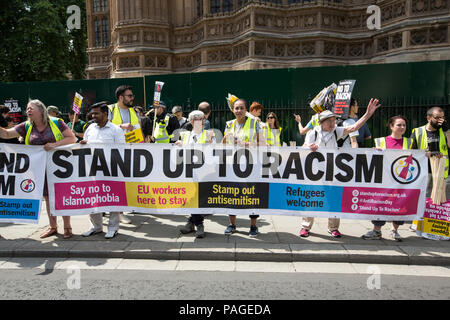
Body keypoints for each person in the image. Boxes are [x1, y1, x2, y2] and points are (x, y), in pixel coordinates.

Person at [300, 98, 381, 238]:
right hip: (315, 172)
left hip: (332, 172)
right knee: (311, 198)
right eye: (329, 121)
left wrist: (368, 114)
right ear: (322, 122)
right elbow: (302, 149)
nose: (333, 123)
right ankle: (305, 227)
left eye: (334, 120)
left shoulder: (336, 131)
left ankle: (333, 227)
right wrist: (309, 147)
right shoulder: (313, 132)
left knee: (334, 199)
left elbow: (354, 127)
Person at [0, 99, 77, 238]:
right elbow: (6, 134)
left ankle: (67, 227)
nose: (28, 110)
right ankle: (53, 226)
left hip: (59, 167)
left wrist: (54, 145)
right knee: (47, 197)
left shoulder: (56, 122)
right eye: (27, 108)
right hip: (39, 169)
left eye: (31, 108)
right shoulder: (26, 126)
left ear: (41, 110)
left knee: (61, 196)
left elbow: (72, 139)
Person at [362, 116, 413, 241]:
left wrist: (424, 154)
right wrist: (374, 151)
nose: (402, 128)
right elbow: (372, 158)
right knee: (381, 203)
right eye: (399, 125)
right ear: (391, 126)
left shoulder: (409, 142)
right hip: (384, 179)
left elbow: (414, 159)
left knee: (400, 204)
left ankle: (394, 230)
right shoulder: (380, 141)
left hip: (401, 180)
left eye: (404, 125)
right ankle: (377, 230)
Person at [80, 101, 126, 239]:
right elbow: (85, 145)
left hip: (110, 170)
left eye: (96, 113)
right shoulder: (90, 128)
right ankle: (97, 227)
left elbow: (122, 150)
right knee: (93, 198)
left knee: (112, 199)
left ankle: (113, 228)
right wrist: (83, 144)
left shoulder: (115, 130)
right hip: (93, 170)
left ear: (105, 113)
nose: (93, 116)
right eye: (92, 113)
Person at [222, 99, 266, 237]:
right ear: (233, 110)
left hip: (251, 165)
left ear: (246, 110)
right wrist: (225, 138)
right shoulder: (229, 124)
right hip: (234, 165)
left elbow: (262, 143)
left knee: (252, 195)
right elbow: (223, 145)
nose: (239, 110)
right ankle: (232, 224)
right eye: (236, 108)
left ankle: (253, 226)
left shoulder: (254, 123)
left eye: (241, 108)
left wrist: (244, 143)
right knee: (232, 193)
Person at [177, 110, 216, 238]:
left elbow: (214, 150)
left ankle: (194, 223)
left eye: (203, 119)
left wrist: (211, 144)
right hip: (189, 172)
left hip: (204, 172)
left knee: (199, 198)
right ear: (192, 121)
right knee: (192, 198)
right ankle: (195, 223)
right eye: (199, 119)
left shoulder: (209, 134)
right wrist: (180, 145)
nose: (202, 121)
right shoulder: (185, 135)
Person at [109, 85, 141, 223]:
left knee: (126, 181)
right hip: (113, 151)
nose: (132, 98)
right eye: (129, 96)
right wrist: (122, 126)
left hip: (129, 151)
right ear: (121, 97)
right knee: (117, 182)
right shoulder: (110, 109)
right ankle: (119, 212)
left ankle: (121, 207)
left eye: (132, 95)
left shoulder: (133, 111)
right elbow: (103, 125)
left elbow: (138, 128)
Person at [411, 106, 449, 199]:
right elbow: (411, 153)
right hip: (425, 174)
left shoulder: (445, 131)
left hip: (443, 175)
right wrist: (426, 153)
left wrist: (447, 131)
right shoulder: (418, 132)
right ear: (428, 118)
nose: (440, 121)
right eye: (437, 118)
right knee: (427, 204)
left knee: (444, 206)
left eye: (442, 118)